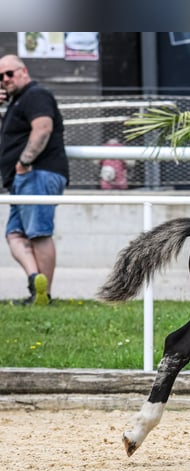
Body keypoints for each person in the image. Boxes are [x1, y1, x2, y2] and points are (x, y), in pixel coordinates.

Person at [0, 55, 69, 305]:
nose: (5, 80)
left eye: (9, 74)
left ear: (23, 71)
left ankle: (44, 295)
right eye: (0, 77)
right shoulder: (16, 102)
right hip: (22, 179)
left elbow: (43, 128)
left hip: (36, 173)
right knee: (15, 235)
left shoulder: (35, 94)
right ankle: (35, 282)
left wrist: (25, 162)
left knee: (38, 234)